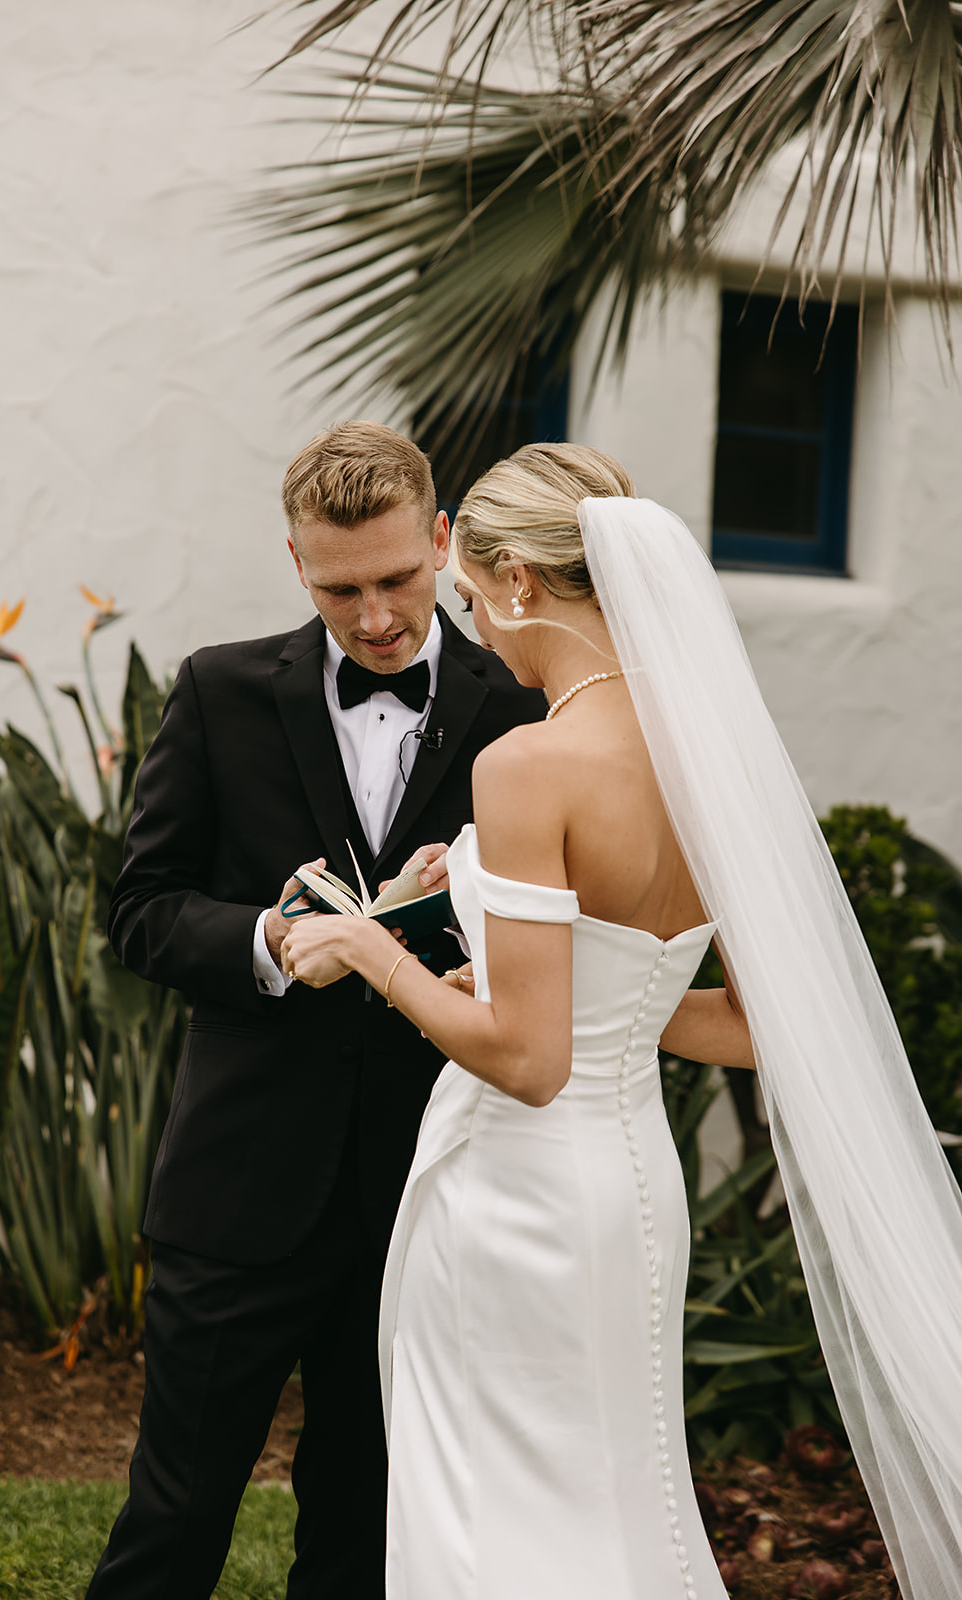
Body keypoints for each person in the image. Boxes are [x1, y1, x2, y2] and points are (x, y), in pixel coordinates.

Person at [280, 443, 962, 1600]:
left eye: (464, 592)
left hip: (515, 1192)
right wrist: (527, 937)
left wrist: (368, 948)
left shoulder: (527, 763)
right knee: (611, 1491)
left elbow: (528, 1060)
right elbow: (747, 1022)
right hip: (635, 1186)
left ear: (517, 582)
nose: (470, 624)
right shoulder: (718, 761)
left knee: (492, 1513)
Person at [85, 421, 543, 1600]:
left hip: (427, 1189)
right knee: (176, 1506)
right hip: (240, 1184)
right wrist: (272, 940)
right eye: (341, 588)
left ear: (441, 543)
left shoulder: (521, 710)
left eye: (396, 578)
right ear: (296, 563)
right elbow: (139, 908)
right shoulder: (219, 690)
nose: (376, 614)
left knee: (369, 1515)